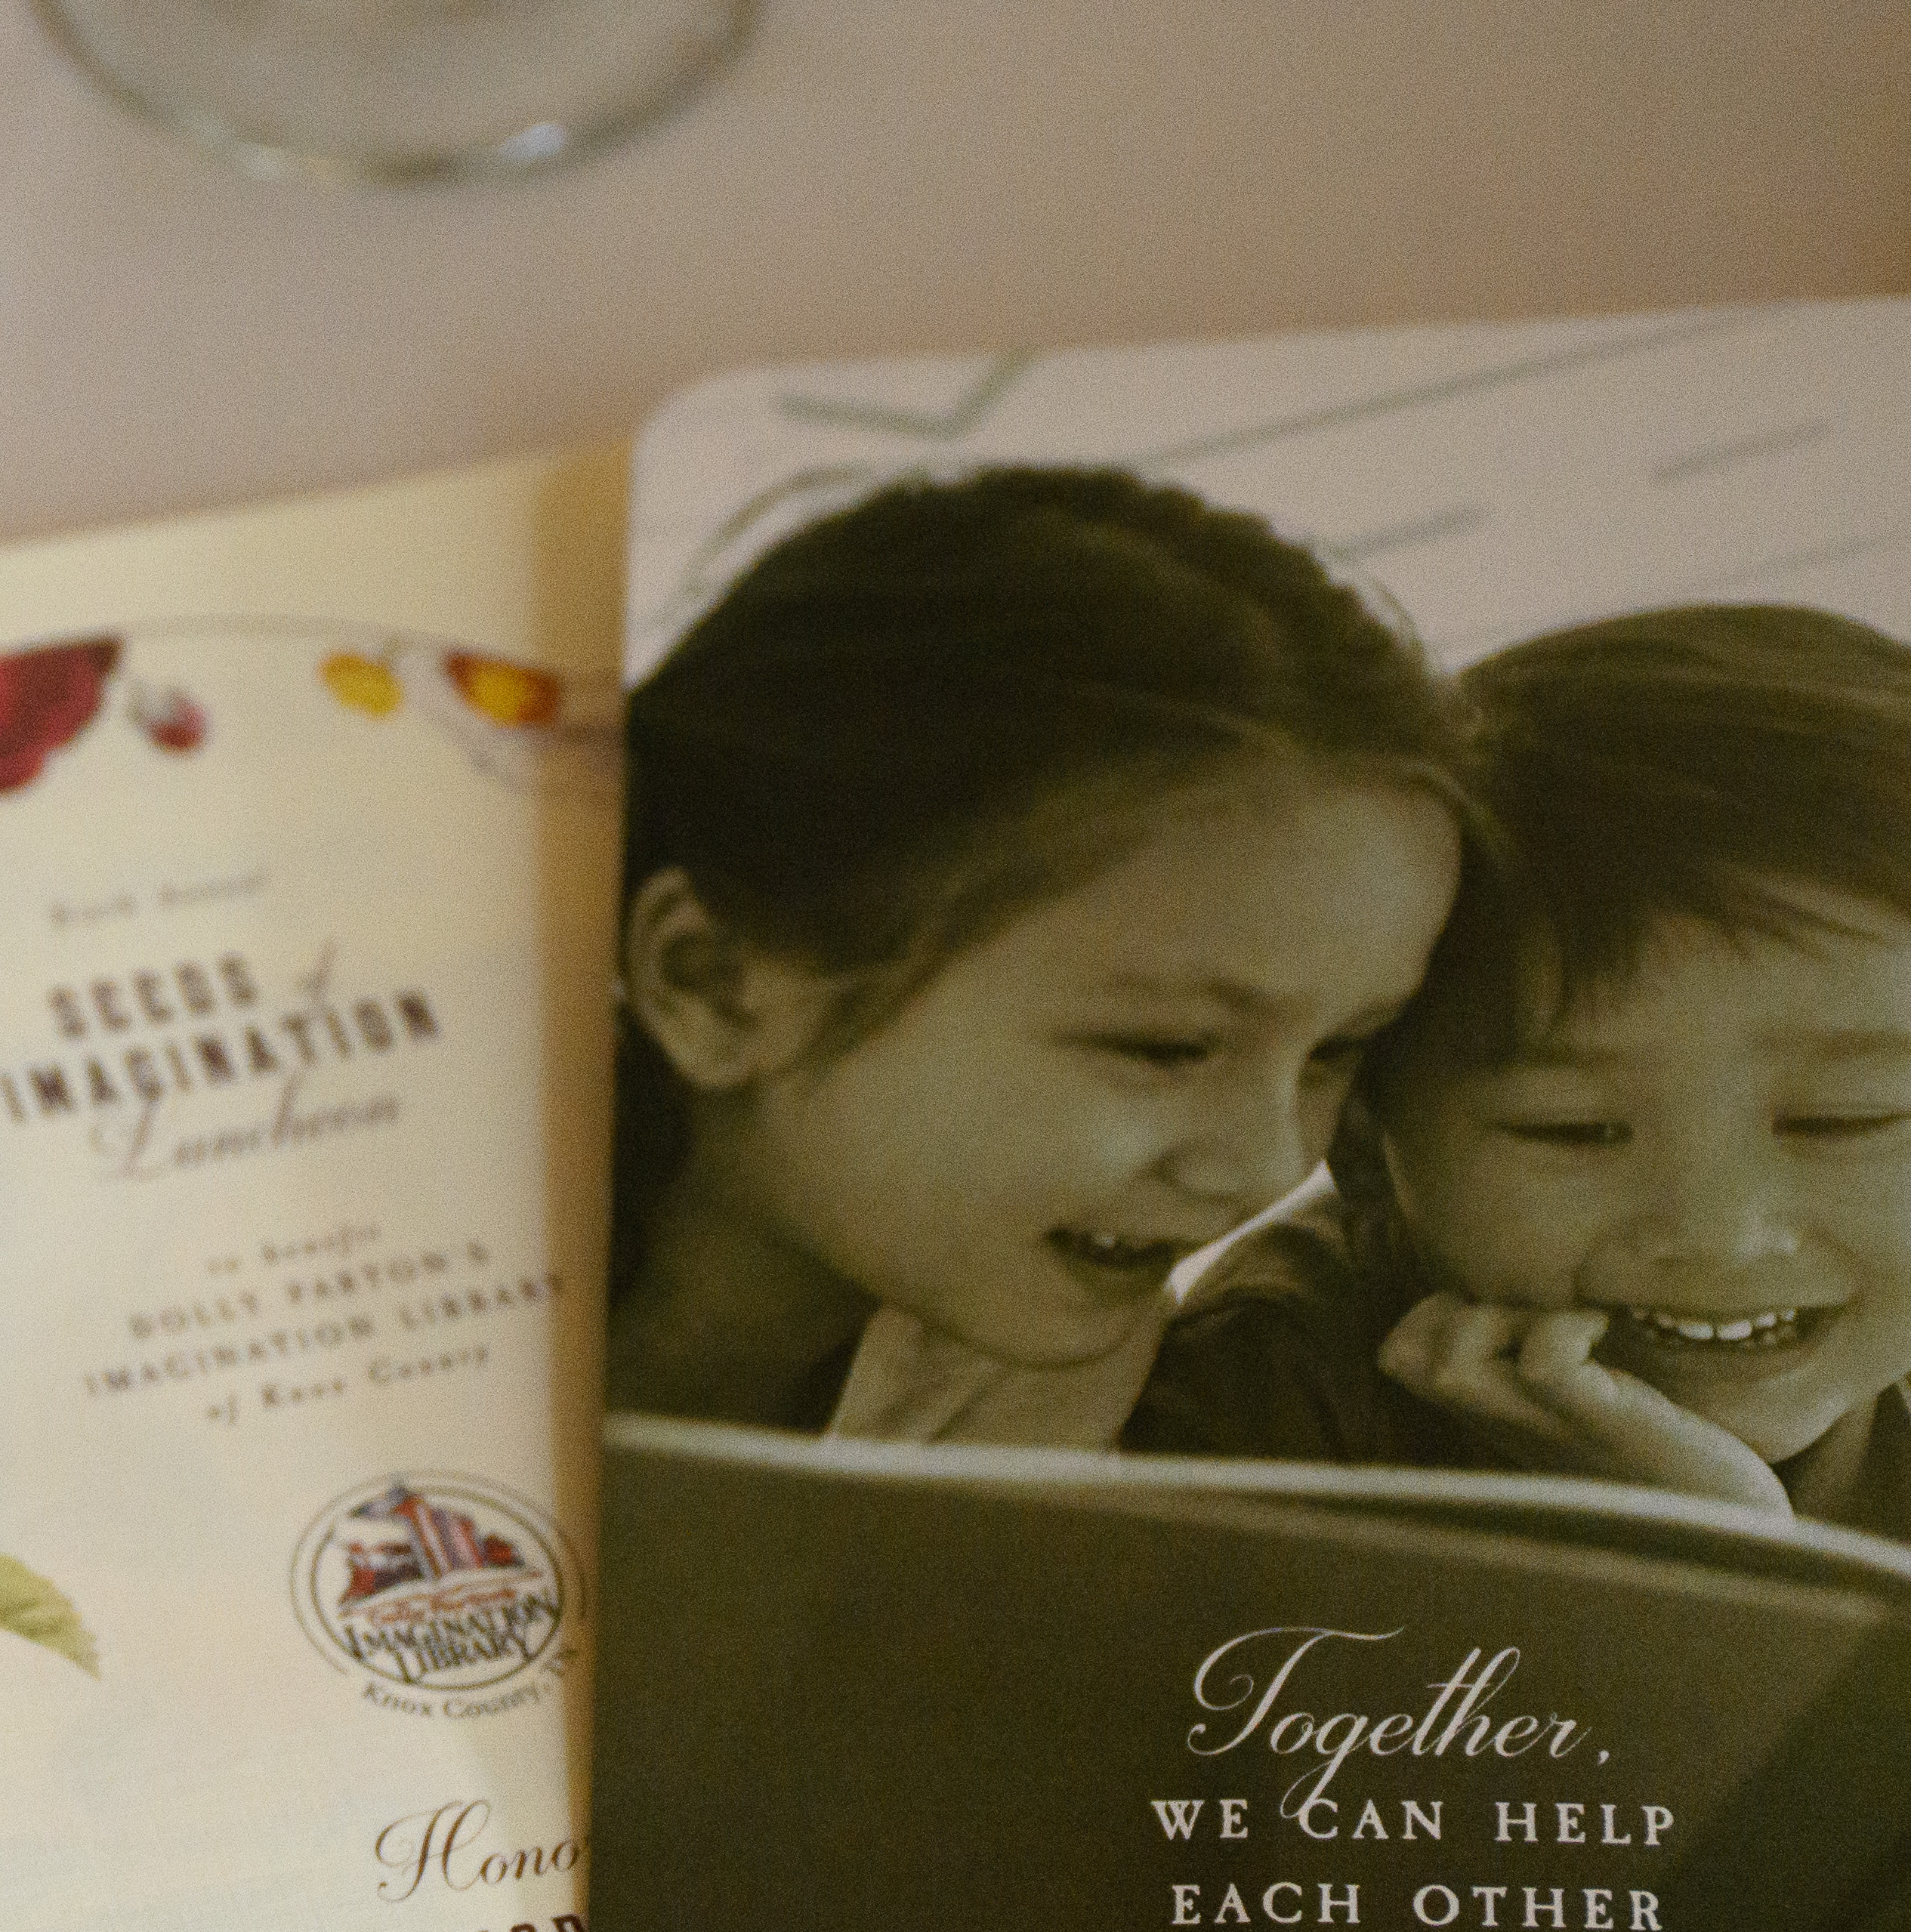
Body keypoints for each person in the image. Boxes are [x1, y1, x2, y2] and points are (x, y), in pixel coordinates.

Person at [1132, 603, 1911, 1609]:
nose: (1722, 1233)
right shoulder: (1258, 1406)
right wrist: (1703, 1588)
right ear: (1363, 1137)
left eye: (1838, 1120)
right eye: (1575, 1130)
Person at [608, 465, 1466, 1442]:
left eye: (1335, 1053)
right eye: (1167, 1048)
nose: (1264, 1163)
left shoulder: (1033, 1356)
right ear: (717, 988)